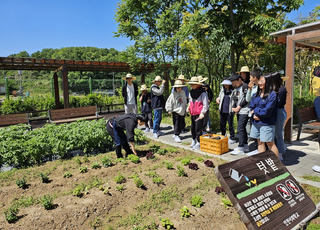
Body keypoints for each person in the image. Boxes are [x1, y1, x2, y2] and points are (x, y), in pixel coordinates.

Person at [249, 73, 279, 158]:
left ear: (268, 82)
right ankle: (262, 161)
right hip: (256, 123)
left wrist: (256, 111)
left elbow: (267, 111)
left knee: (270, 143)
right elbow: (251, 106)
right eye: (259, 81)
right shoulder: (256, 94)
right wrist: (254, 114)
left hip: (266, 123)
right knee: (260, 142)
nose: (260, 83)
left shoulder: (273, 95)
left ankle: (277, 165)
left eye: (262, 81)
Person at [229, 73, 250, 154]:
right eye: (233, 83)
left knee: (240, 129)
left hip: (244, 111)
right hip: (239, 111)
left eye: (235, 82)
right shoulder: (237, 88)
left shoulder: (245, 86)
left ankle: (240, 147)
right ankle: (245, 145)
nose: (234, 84)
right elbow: (236, 99)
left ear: (240, 80)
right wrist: (235, 108)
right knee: (243, 129)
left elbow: (246, 99)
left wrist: (238, 107)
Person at [186, 76, 209, 150]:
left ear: (197, 84)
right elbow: (190, 101)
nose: (192, 86)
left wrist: (203, 112)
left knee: (198, 128)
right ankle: (193, 140)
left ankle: (199, 142)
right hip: (193, 113)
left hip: (199, 114)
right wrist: (188, 107)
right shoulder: (191, 92)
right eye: (191, 84)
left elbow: (205, 104)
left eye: (193, 84)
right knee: (192, 128)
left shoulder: (203, 92)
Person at [273, 73, 288, 161]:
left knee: (278, 134)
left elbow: (277, 102)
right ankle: (278, 151)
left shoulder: (282, 89)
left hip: (279, 112)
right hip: (276, 112)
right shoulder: (275, 89)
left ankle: (280, 153)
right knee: (275, 134)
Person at [246, 69, 262, 149]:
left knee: (262, 135)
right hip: (252, 114)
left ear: (255, 78)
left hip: (260, 114)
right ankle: (257, 149)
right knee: (255, 135)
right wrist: (249, 90)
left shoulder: (262, 88)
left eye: (250, 77)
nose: (249, 79)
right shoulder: (254, 88)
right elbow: (248, 100)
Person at [216, 79, 236, 144]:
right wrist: (217, 99)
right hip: (222, 110)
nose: (225, 85)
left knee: (230, 125)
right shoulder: (222, 90)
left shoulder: (233, 91)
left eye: (226, 84)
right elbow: (219, 97)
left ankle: (232, 138)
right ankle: (223, 136)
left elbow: (235, 100)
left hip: (229, 111)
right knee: (222, 125)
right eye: (224, 84)